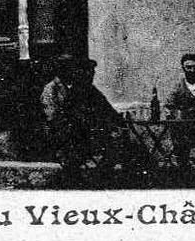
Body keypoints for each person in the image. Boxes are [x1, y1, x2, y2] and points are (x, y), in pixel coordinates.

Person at [40, 55, 138, 183]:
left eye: (92, 73)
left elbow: (105, 107)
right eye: (68, 68)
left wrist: (117, 118)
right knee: (81, 149)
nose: (72, 71)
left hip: (84, 132)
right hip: (62, 134)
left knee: (119, 143)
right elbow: (53, 116)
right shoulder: (51, 89)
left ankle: (101, 176)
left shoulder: (85, 88)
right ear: (60, 70)